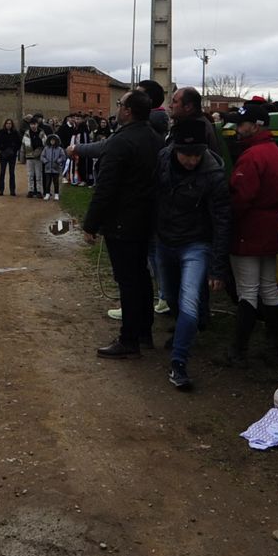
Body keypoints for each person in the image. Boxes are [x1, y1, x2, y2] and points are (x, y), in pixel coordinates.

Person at [153, 118, 231, 391]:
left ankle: (179, 363)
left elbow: (222, 221)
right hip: (164, 240)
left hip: (196, 245)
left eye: (197, 154)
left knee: (189, 303)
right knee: (171, 298)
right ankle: (180, 334)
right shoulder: (162, 159)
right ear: (174, 148)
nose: (191, 160)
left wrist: (218, 268)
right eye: (186, 154)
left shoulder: (214, 174)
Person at [84, 90, 162, 359]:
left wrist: (90, 224)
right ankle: (144, 332)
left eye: (120, 104)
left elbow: (106, 187)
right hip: (146, 219)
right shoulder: (155, 138)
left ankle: (128, 339)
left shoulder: (121, 141)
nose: (117, 108)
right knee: (141, 277)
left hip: (122, 222)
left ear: (128, 111)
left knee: (128, 281)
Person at [219, 101, 278, 366]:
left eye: (242, 123)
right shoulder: (275, 151)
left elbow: (240, 198)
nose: (237, 128)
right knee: (269, 287)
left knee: (247, 290)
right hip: (271, 225)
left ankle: (238, 351)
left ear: (255, 125)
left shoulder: (252, 155)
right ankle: (273, 348)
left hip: (249, 226)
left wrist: (226, 222)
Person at [0, 117, 21, 196]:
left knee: (12, 173)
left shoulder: (15, 133)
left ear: (12, 125)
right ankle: (1, 190)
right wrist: (2, 148)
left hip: (12, 155)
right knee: (2, 172)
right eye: (7, 123)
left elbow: (19, 143)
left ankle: (12, 190)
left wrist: (14, 150)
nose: (8, 125)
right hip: (3, 155)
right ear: (5, 124)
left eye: (10, 123)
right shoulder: (1, 132)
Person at [23, 119, 48, 198]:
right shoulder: (27, 133)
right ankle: (30, 190)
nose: (33, 126)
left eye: (35, 124)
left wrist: (40, 152)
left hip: (38, 156)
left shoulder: (41, 133)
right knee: (30, 174)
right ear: (30, 125)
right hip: (29, 156)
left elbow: (45, 143)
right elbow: (24, 145)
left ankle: (39, 191)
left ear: (37, 124)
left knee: (38, 174)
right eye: (31, 124)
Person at [41, 134, 66, 201]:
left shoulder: (59, 149)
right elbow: (42, 156)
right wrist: (45, 161)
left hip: (56, 169)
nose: (52, 141)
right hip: (48, 169)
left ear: (56, 141)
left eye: (54, 140)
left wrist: (58, 161)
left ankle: (56, 194)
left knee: (56, 182)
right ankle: (47, 194)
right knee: (48, 182)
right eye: (51, 140)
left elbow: (63, 157)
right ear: (49, 141)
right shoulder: (46, 148)